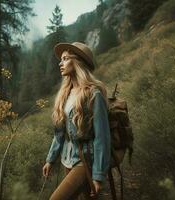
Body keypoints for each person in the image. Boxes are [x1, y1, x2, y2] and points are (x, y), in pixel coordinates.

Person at [42, 42, 111, 200]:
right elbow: (59, 134)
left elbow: (102, 138)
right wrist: (50, 160)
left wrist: (98, 175)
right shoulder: (64, 94)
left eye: (65, 58)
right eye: (61, 59)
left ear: (78, 62)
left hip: (85, 161)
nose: (60, 63)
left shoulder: (94, 94)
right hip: (67, 159)